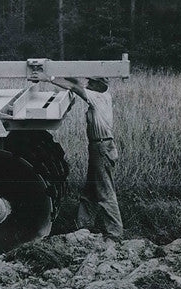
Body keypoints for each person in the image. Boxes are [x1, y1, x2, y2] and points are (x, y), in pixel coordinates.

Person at [45, 75, 124, 238]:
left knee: (105, 191)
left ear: (98, 85)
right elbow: (77, 84)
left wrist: (49, 77)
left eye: (91, 82)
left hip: (101, 148)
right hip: (99, 147)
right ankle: (83, 227)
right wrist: (64, 74)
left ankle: (115, 232)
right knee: (90, 191)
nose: (88, 84)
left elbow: (76, 88)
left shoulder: (98, 97)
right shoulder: (104, 94)